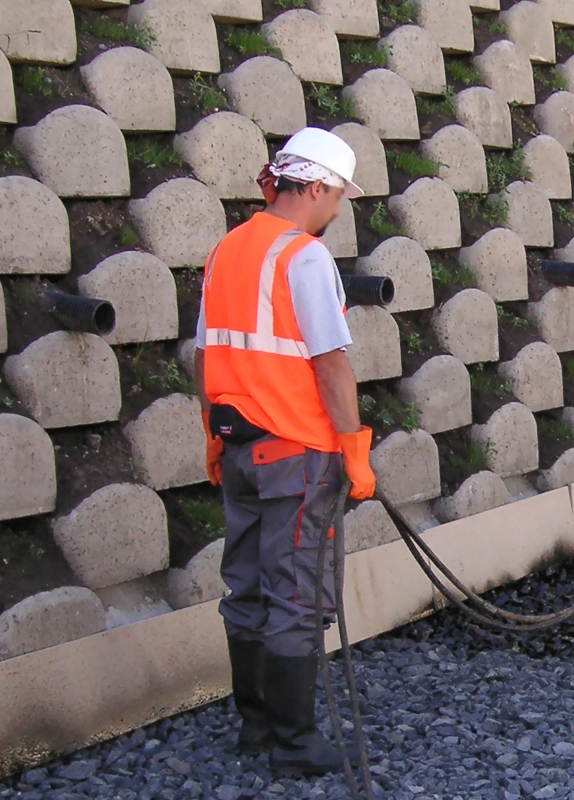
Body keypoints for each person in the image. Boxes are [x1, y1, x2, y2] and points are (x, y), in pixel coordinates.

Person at [195, 128, 377, 777]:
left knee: (244, 589)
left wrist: (212, 439)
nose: (336, 210)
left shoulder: (226, 251)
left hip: (239, 447)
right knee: (296, 596)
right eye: (338, 198)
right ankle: (295, 745)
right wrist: (354, 450)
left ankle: (255, 731)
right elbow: (330, 364)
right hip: (297, 455)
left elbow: (205, 356)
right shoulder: (303, 258)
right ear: (319, 186)